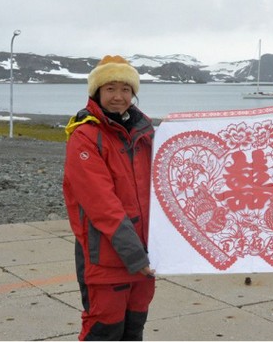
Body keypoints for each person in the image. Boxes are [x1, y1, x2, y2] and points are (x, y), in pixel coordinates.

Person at [63, 55, 156, 341]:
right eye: (110, 89)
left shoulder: (146, 133)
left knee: (134, 328)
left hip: (146, 255)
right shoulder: (86, 136)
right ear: (97, 92)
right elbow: (101, 205)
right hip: (106, 256)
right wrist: (134, 254)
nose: (119, 96)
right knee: (104, 329)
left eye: (125, 89)